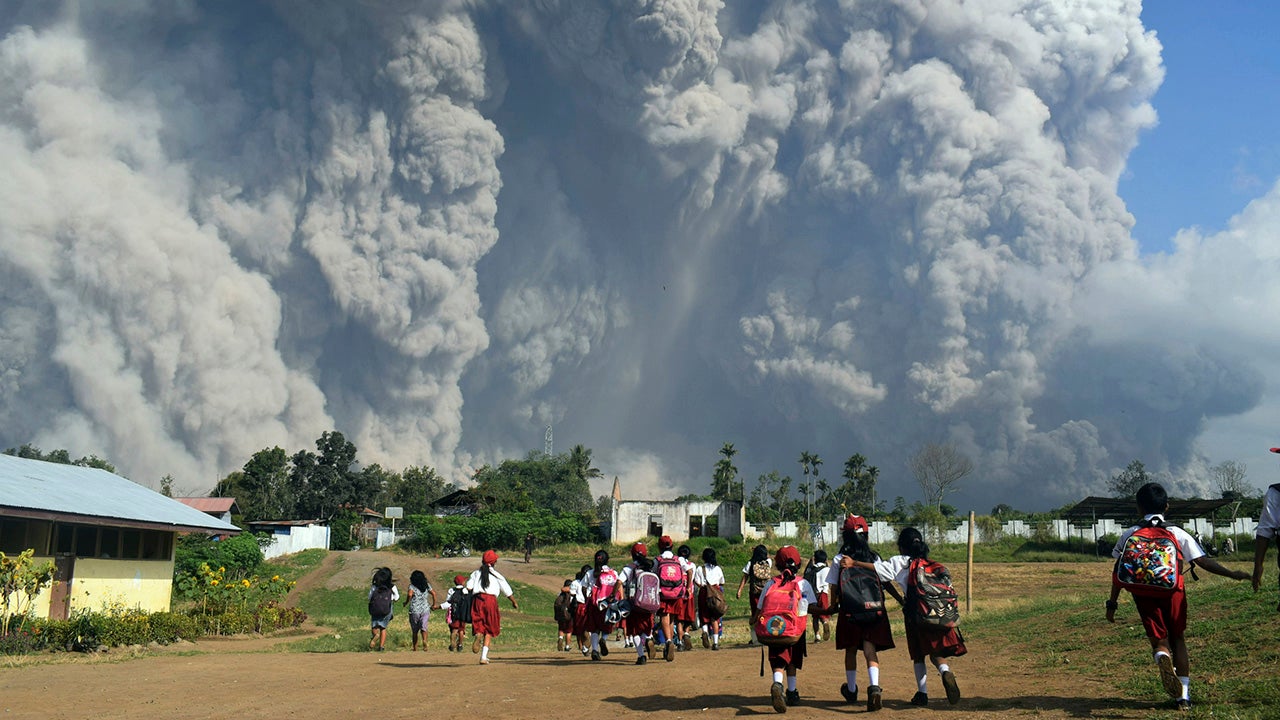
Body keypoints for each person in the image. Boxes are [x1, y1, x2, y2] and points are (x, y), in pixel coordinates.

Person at [1108, 482, 1250, 710]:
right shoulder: (1176, 532)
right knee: (1178, 639)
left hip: (1143, 594)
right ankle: (1183, 696)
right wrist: (1232, 574)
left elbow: (1118, 571)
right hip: (1173, 592)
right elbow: (1202, 561)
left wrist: (1112, 603)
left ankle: (1161, 656)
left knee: (1160, 640)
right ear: (1166, 507)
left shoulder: (1130, 534)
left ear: (1138, 508)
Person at [851, 527, 965, 707]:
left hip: (916, 614)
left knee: (919, 654)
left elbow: (879, 570)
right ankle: (945, 671)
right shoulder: (930, 563)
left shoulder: (901, 563)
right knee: (935, 651)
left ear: (902, 547)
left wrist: (855, 563)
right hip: (937, 612)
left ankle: (922, 693)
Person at [828, 515, 899, 711]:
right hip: (873, 609)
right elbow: (885, 581)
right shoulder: (874, 558)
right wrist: (900, 599)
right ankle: (874, 687)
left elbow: (833, 586)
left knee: (850, 649)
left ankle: (851, 690)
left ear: (845, 536)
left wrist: (833, 605)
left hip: (850, 610)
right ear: (865, 534)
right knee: (870, 649)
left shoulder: (839, 559)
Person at [757, 545, 818, 712]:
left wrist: (753, 620)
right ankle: (792, 692)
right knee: (792, 660)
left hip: (774, 628)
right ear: (798, 564)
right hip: (795, 630)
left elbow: (760, 606)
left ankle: (777, 683)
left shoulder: (771, 583)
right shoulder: (802, 583)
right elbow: (811, 607)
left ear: (777, 564)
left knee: (778, 659)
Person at [466, 549, 519, 665]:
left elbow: (469, 587)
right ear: (494, 562)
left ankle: (478, 634)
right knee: (490, 627)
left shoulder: (476, 573)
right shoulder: (497, 575)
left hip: (478, 600)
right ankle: (483, 657)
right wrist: (514, 602)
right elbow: (507, 590)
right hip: (491, 601)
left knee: (479, 623)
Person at [618, 542, 656, 665]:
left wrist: (613, 595)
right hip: (649, 602)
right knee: (646, 627)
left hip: (634, 603)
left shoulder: (628, 569)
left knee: (635, 631)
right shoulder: (650, 566)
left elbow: (619, 582)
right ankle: (648, 639)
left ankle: (641, 656)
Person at [653, 535, 691, 660]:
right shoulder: (679, 559)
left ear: (660, 547)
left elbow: (652, 575)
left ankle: (668, 641)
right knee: (672, 619)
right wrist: (689, 587)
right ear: (672, 546)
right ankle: (671, 642)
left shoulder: (657, 560)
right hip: (676, 593)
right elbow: (689, 571)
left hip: (663, 593)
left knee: (664, 615)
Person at [1252, 448, 1280, 612]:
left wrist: (1258, 565)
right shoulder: (1275, 493)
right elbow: (1264, 531)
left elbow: (1264, 531)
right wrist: (1258, 565)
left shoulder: (1275, 493)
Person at [582, 549, 619, 661]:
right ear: (607, 560)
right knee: (607, 625)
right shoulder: (613, 573)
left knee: (594, 628)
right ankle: (603, 639)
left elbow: (583, 586)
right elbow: (617, 585)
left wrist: (587, 598)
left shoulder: (590, 573)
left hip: (594, 603)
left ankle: (594, 650)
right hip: (607, 602)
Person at [736, 544, 772, 645]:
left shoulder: (750, 563)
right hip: (766, 592)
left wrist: (739, 590)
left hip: (754, 592)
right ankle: (765, 635)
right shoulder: (768, 562)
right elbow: (768, 557)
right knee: (765, 614)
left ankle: (756, 637)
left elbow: (745, 577)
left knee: (755, 614)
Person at [693, 546, 726, 651]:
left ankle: (705, 633)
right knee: (714, 618)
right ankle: (715, 643)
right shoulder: (718, 569)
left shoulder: (700, 569)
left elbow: (697, 582)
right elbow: (722, 582)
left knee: (704, 616)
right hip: (715, 593)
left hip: (704, 593)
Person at [404, 569, 437, 652]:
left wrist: (406, 602)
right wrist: (434, 604)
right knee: (424, 627)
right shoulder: (426, 585)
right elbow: (434, 593)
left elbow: (410, 594)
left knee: (415, 630)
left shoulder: (412, 586)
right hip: (425, 609)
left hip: (415, 610)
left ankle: (415, 648)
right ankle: (425, 642)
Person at [367, 566, 398, 652]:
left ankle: (375, 635)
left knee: (374, 625)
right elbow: (397, 597)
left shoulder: (374, 586)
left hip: (375, 609)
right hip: (386, 609)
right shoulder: (391, 586)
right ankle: (381, 647)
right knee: (383, 627)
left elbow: (369, 597)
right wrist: (392, 599)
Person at [805, 548, 832, 643]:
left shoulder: (812, 570)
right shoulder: (827, 569)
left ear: (815, 559)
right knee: (824, 612)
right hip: (823, 593)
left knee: (815, 616)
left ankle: (817, 635)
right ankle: (825, 622)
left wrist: (810, 561)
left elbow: (805, 575)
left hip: (813, 594)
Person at [676, 544, 698, 649]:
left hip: (679, 594)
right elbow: (693, 578)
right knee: (688, 617)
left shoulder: (676, 563)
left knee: (679, 619)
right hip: (689, 594)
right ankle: (686, 633)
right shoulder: (692, 565)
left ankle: (679, 642)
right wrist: (689, 587)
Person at [570, 564, 592, 656]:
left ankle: (585, 645)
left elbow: (572, 594)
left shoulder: (575, 583)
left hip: (579, 607)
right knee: (590, 627)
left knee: (581, 628)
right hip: (587, 605)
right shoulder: (591, 583)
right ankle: (586, 645)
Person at [443, 574, 468, 652]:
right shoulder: (465, 590)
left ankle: (452, 643)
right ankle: (460, 645)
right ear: (462, 582)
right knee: (461, 630)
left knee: (454, 630)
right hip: (463, 613)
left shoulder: (451, 590)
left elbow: (448, 601)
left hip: (454, 613)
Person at [554, 578, 576, 652]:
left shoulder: (560, 593)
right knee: (569, 631)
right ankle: (567, 646)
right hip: (569, 614)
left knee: (561, 629)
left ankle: (560, 638)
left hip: (561, 614)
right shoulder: (572, 594)